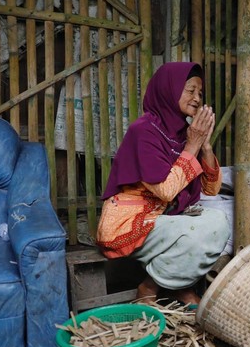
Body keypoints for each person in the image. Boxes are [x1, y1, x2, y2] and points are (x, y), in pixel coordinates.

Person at [97, 62, 231, 306]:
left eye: (200, 93)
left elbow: (211, 188)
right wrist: (193, 146)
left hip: (162, 220)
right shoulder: (144, 131)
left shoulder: (184, 134)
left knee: (218, 222)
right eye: (190, 90)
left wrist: (206, 145)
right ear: (168, 90)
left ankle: (173, 286)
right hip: (128, 225)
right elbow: (166, 190)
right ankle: (151, 287)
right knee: (206, 230)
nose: (197, 99)